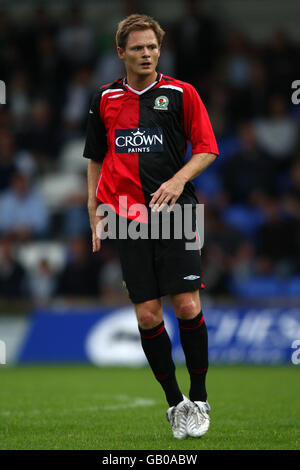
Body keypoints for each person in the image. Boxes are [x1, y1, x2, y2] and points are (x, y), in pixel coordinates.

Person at [83, 14, 219, 439]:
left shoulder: (182, 93)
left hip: (176, 212)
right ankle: (175, 403)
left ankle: (199, 397)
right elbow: (96, 157)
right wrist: (94, 206)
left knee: (187, 306)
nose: (146, 54)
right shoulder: (104, 99)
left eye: (152, 47)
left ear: (160, 50)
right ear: (120, 52)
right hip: (126, 215)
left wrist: (179, 180)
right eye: (138, 48)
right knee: (146, 313)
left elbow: (208, 149)